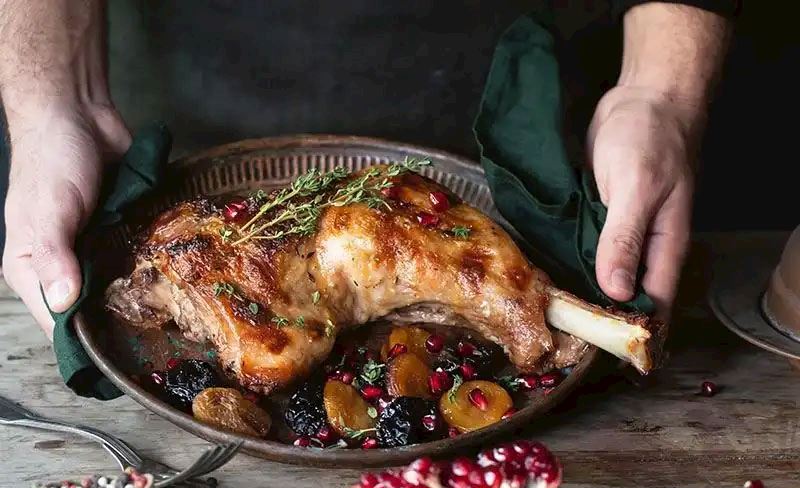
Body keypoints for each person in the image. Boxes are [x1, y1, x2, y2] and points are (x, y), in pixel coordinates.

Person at [0, 1, 734, 337]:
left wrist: (661, 90)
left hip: (536, 136)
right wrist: (51, 108)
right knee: (272, 349)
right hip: (192, 106)